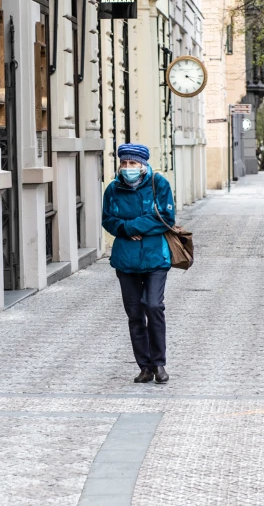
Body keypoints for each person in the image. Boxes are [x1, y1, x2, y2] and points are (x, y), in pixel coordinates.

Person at [102, 143, 175, 385]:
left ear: (143, 165)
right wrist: (123, 228)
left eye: (132, 163)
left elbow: (165, 217)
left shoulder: (158, 184)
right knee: (134, 314)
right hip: (126, 260)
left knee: (153, 305)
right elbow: (108, 219)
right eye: (124, 163)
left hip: (155, 257)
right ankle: (145, 367)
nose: (127, 167)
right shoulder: (113, 189)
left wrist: (131, 226)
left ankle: (159, 363)